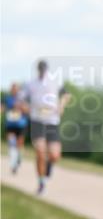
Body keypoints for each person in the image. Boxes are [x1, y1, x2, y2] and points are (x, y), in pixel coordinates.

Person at [23, 61, 71, 194]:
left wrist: (61, 105)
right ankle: (41, 183)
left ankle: (49, 165)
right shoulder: (30, 84)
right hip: (37, 121)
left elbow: (66, 95)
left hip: (52, 122)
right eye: (40, 70)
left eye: (44, 70)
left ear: (47, 70)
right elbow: (22, 99)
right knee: (40, 152)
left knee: (55, 155)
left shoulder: (55, 82)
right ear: (37, 70)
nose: (42, 72)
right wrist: (24, 106)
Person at [3, 82, 28, 174]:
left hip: (21, 125)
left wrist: (20, 107)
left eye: (16, 88)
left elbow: (27, 110)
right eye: (13, 88)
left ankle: (19, 158)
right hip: (10, 125)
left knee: (19, 145)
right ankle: (13, 165)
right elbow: (2, 108)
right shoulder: (7, 98)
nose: (14, 90)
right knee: (11, 143)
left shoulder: (23, 99)